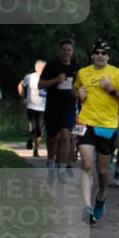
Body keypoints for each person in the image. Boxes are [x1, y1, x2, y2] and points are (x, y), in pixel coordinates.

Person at [73, 40, 119, 224]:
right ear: (92, 55)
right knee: (87, 164)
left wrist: (112, 90)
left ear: (108, 56)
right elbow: (74, 89)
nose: (100, 55)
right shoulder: (83, 72)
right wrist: (78, 94)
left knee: (103, 170)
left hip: (107, 126)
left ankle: (101, 196)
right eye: (96, 52)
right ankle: (86, 206)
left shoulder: (116, 73)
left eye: (103, 53)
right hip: (86, 122)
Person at [39, 39, 78, 171]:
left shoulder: (76, 67)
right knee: (52, 138)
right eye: (64, 50)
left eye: (69, 50)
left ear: (72, 52)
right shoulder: (51, 66)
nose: (66, 52)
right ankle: (50, 161)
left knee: (66, 136)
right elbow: (40, 85)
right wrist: (56, 80)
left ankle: (61, 169)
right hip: (53, 107)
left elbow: (81, 86)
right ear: (59, 51)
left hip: (69, 107)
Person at [18, 60, 46, 157]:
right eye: (40, 68)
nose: (42, 70)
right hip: (32, 107)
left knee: (40, 130)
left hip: (44, 109)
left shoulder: (48, 78)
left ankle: (36, 149)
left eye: (44, 68)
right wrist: (23, 97)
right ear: (36, 68)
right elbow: (20, 85)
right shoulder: (29, 77)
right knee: (34, 127)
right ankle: (30, 139)